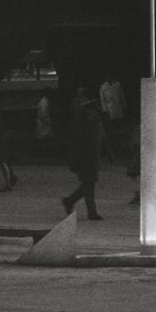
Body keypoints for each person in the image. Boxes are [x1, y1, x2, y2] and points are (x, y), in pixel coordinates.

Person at [63, 86, 105, 220]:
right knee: (89, 183)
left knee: (88, 183)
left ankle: (71, 201)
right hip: (89, 156)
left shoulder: (81, 122)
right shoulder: (90, 121)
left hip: (86, 156)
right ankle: (89, 210)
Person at [99, 73, 126, 161]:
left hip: (118, 112)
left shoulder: (117, 85)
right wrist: (105, 111)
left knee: (118, 133)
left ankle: (118, 151)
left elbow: (122, 97)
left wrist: (124, 107)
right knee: (110, 134)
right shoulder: (103, 87)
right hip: (109, 113)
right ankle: (110, 153)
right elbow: (103, 100)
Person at [34, 87, 56, 153]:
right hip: (44, 126)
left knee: (45, 140)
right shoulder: (44, 103)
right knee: (45, 140)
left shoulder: (45, 101)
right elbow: (43, 115)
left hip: (44, 125)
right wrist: (50, 123)